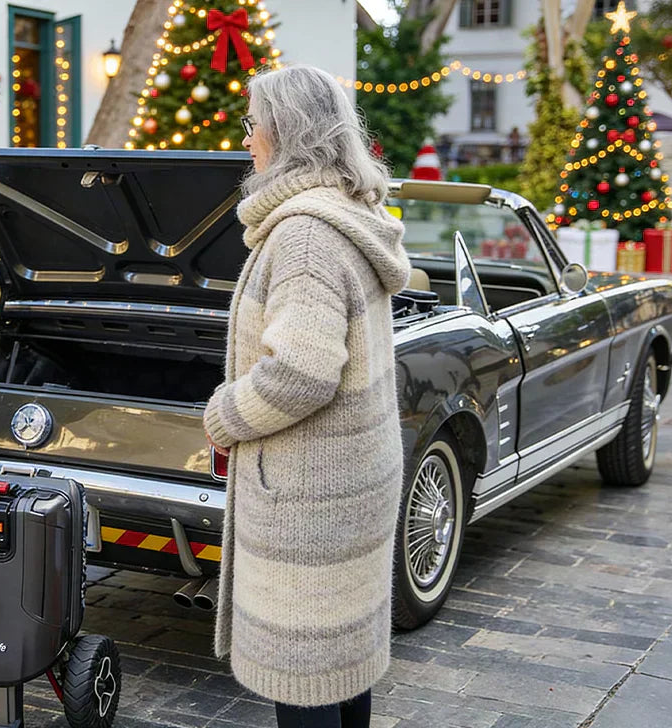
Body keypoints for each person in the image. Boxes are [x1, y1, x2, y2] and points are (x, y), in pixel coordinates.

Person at [203, 65, 409, 728]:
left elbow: (300, 374)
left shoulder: (303, 235)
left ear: (285, 133)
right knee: (339, 663)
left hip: (308, 498)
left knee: (303, 678)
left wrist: (223, 416)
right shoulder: (350, 214)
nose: (246, 140)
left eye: (253, 124)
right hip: (348, 481)